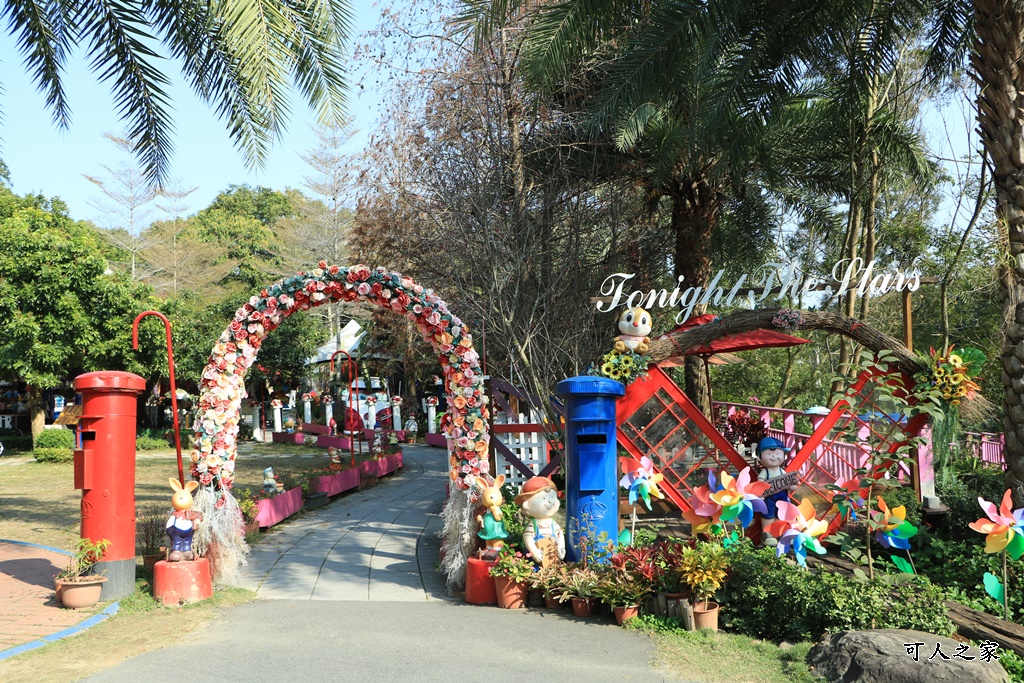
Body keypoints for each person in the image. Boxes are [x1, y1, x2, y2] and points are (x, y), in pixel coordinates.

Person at [756, 436, 798, 546]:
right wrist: (760, 492)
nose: (774, 457)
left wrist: (791, 486)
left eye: (778, 454)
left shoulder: (782, 471)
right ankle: (767, 534)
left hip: (783, 498)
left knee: (783, 515)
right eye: (769, 454)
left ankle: (784, 532)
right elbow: (760, 482)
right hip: (769, 499)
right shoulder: (765, 472)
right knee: (768, 515)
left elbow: (789, 482)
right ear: (760, 457)